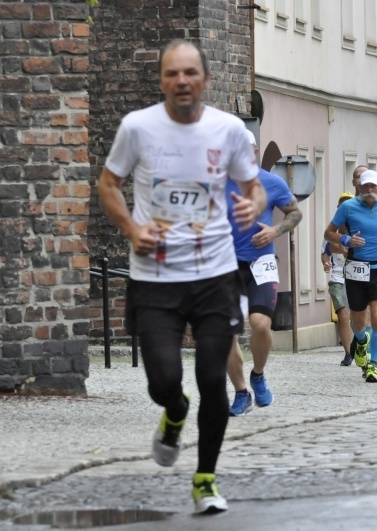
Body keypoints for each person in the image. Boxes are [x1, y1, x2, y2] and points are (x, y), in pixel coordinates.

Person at [97, 39, 265, 515]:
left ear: (205, 79)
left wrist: (253, 205)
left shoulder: (228, 130)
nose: (182, 81)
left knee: (212, 376)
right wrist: (131, 229)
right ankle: (174, 412)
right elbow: (108, 184)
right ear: (162, 81)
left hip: (214, 274)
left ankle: (205, 479)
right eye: (172, 73)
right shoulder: (138, 127)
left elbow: (253, 186)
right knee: (163, 380)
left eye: (190, 72)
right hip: (155, 276)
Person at [227, 131, 303, 417]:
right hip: (226, 265)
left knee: (260, 325)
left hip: (261, 261)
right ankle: (241, 392)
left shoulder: (271, 182)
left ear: (255, 151)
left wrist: (274, 230)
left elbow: (295, 213)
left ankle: (258, 374)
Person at [325, 170, 377, 383]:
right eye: (366, 186)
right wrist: (346, 241)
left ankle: (373, 365)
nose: (369, 190)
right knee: (358, 319)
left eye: (373, 186)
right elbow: (328, 233)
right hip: (356, 268)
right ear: (359, 187)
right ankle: (361, 340)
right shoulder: (348, 207)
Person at [321, 192, 356, 366]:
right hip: (338, 277)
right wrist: (326, 263)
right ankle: (348, 352)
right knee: (342, 313)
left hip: (357, 277)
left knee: (359, 315)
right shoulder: (331, 231)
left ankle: (360, 345)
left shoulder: (358, 229)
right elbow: (325, 252)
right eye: (341, 205)